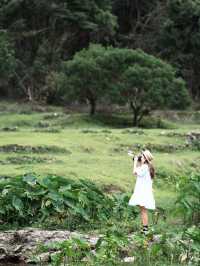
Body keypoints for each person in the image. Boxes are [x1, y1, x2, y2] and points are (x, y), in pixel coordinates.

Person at [128, 149, 155, 235]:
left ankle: (145, 229)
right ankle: (144, 228)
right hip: (144, 191)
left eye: (142, 156)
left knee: (143, 211)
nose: (141, 157)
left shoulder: (145, 167)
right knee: (143, 210)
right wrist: (135, 159)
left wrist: (135, 161)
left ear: (145, 158)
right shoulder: (148, 167)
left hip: (142, 192)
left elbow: (134, 172)